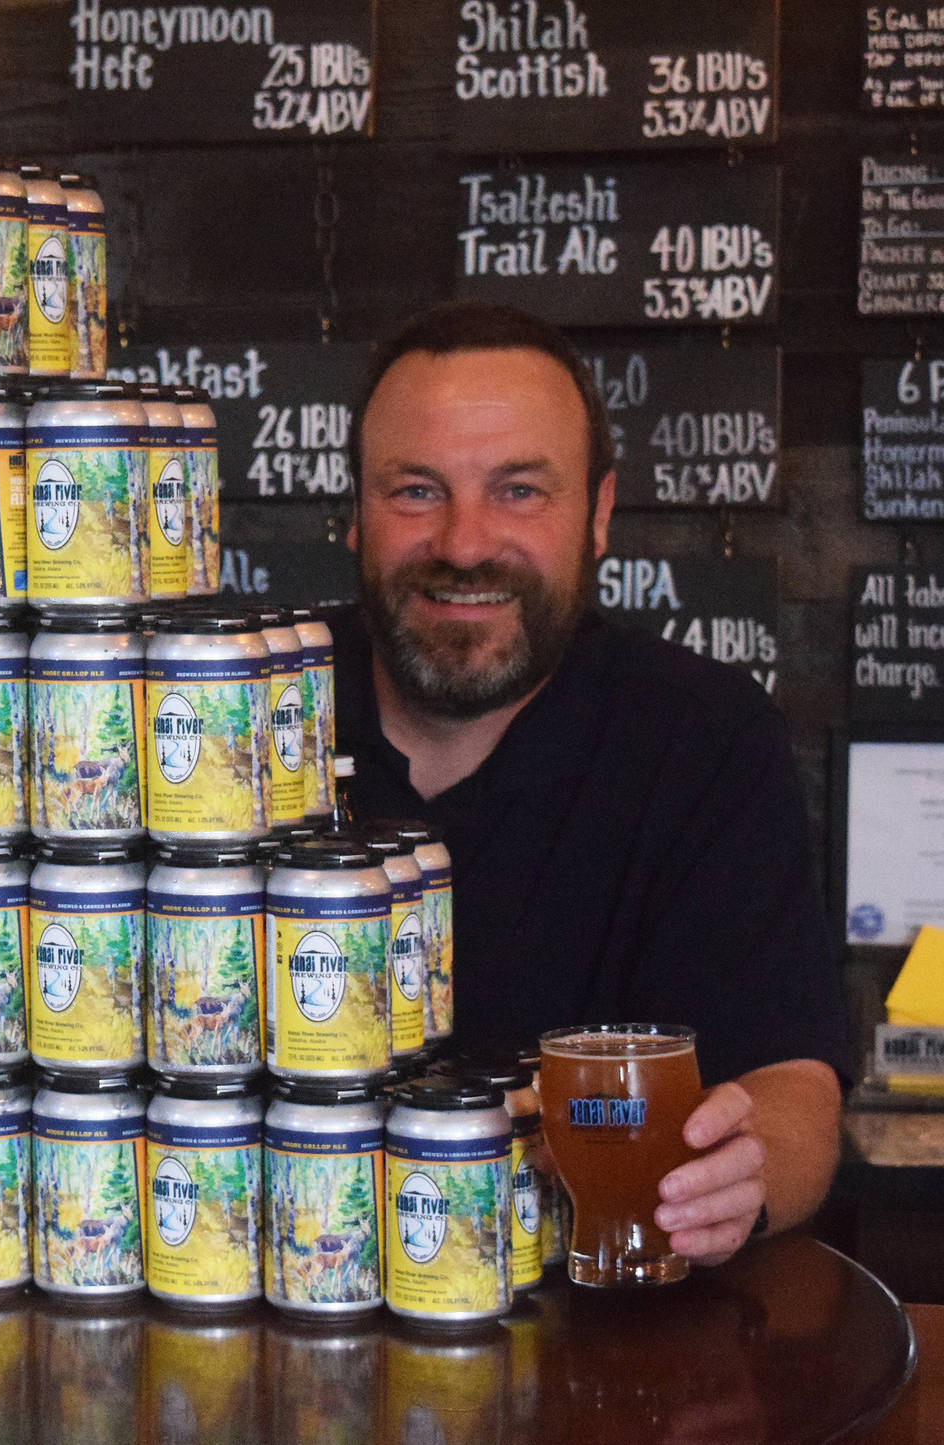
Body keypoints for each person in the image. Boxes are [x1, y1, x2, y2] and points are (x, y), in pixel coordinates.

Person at [335, 301, 845, 1269]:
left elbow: (789, 1084)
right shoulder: (243, 706)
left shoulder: (701, 737)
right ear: (353, 514)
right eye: (413, 489)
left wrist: (738, 1176)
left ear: (598, 513)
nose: (463, 540)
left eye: (518, 490)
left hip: (606, 1351)